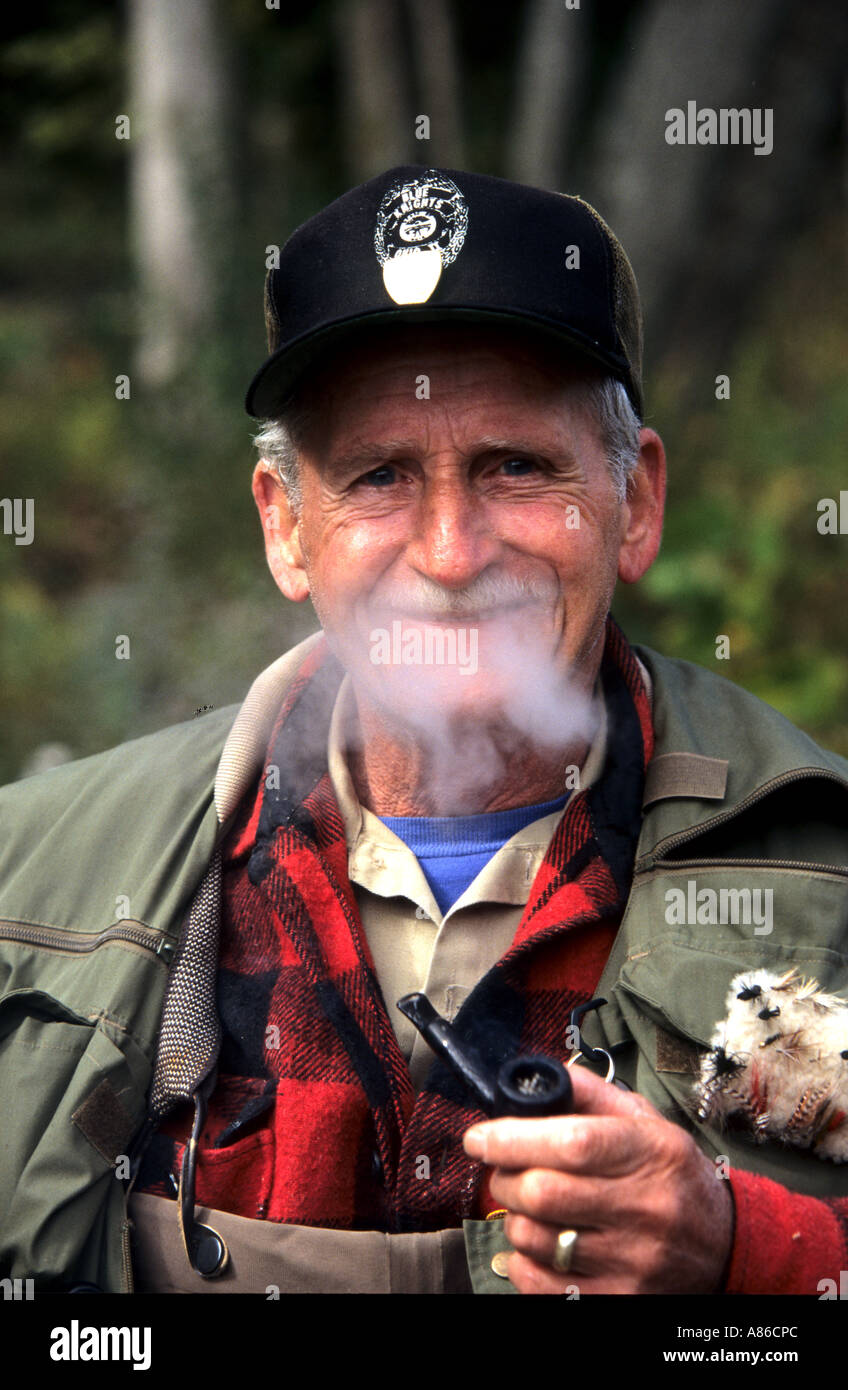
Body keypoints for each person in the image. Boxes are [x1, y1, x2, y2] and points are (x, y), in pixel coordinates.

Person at [1, 166, 846, 1296]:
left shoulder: (825, 872)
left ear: (632, 503)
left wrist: (748, 1253)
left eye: (515, 467)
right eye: (379, 476)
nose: (448, 555)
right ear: (286, 527)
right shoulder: (27, 882)